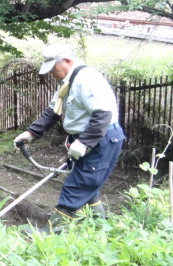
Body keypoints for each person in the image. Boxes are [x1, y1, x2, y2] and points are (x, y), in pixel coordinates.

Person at [14, 44, 124, 232]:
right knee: (88, 182)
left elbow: (103, 114)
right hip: (86, 139)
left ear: (67, 61)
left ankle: (50, 233)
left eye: (53, 69)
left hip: (101, 139)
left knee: (78, 185)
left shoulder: (86, 80)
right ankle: (100, 226)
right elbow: (53, 111)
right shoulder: (67, 83)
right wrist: (31, 133)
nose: (51, 74)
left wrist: (84, 142)